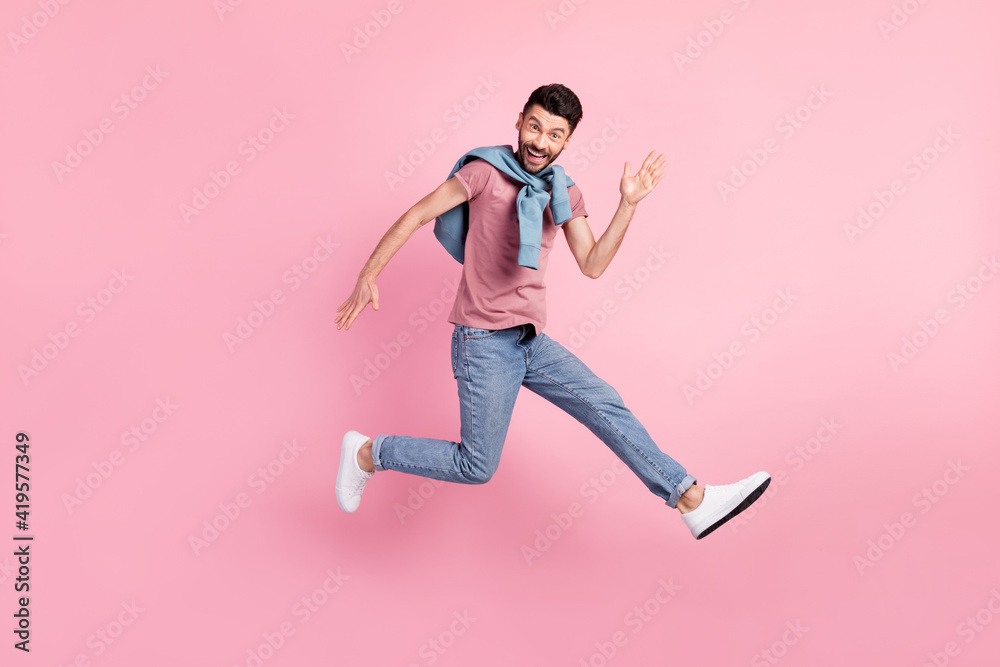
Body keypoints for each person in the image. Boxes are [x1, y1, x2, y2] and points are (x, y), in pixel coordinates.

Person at [334, 83, 770, 539]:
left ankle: (690, 499)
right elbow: (417, 214)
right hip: (482, 342)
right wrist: (369, 274)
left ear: (566, 142)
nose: (540, 142)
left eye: (554, 134)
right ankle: (368, 453)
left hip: (528, 340)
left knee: (604, 404)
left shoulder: (562, 191)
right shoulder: (484, 172)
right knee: (476, 466)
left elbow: (593, 264)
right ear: (520, 121)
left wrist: (627, 204)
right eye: (535, 126)